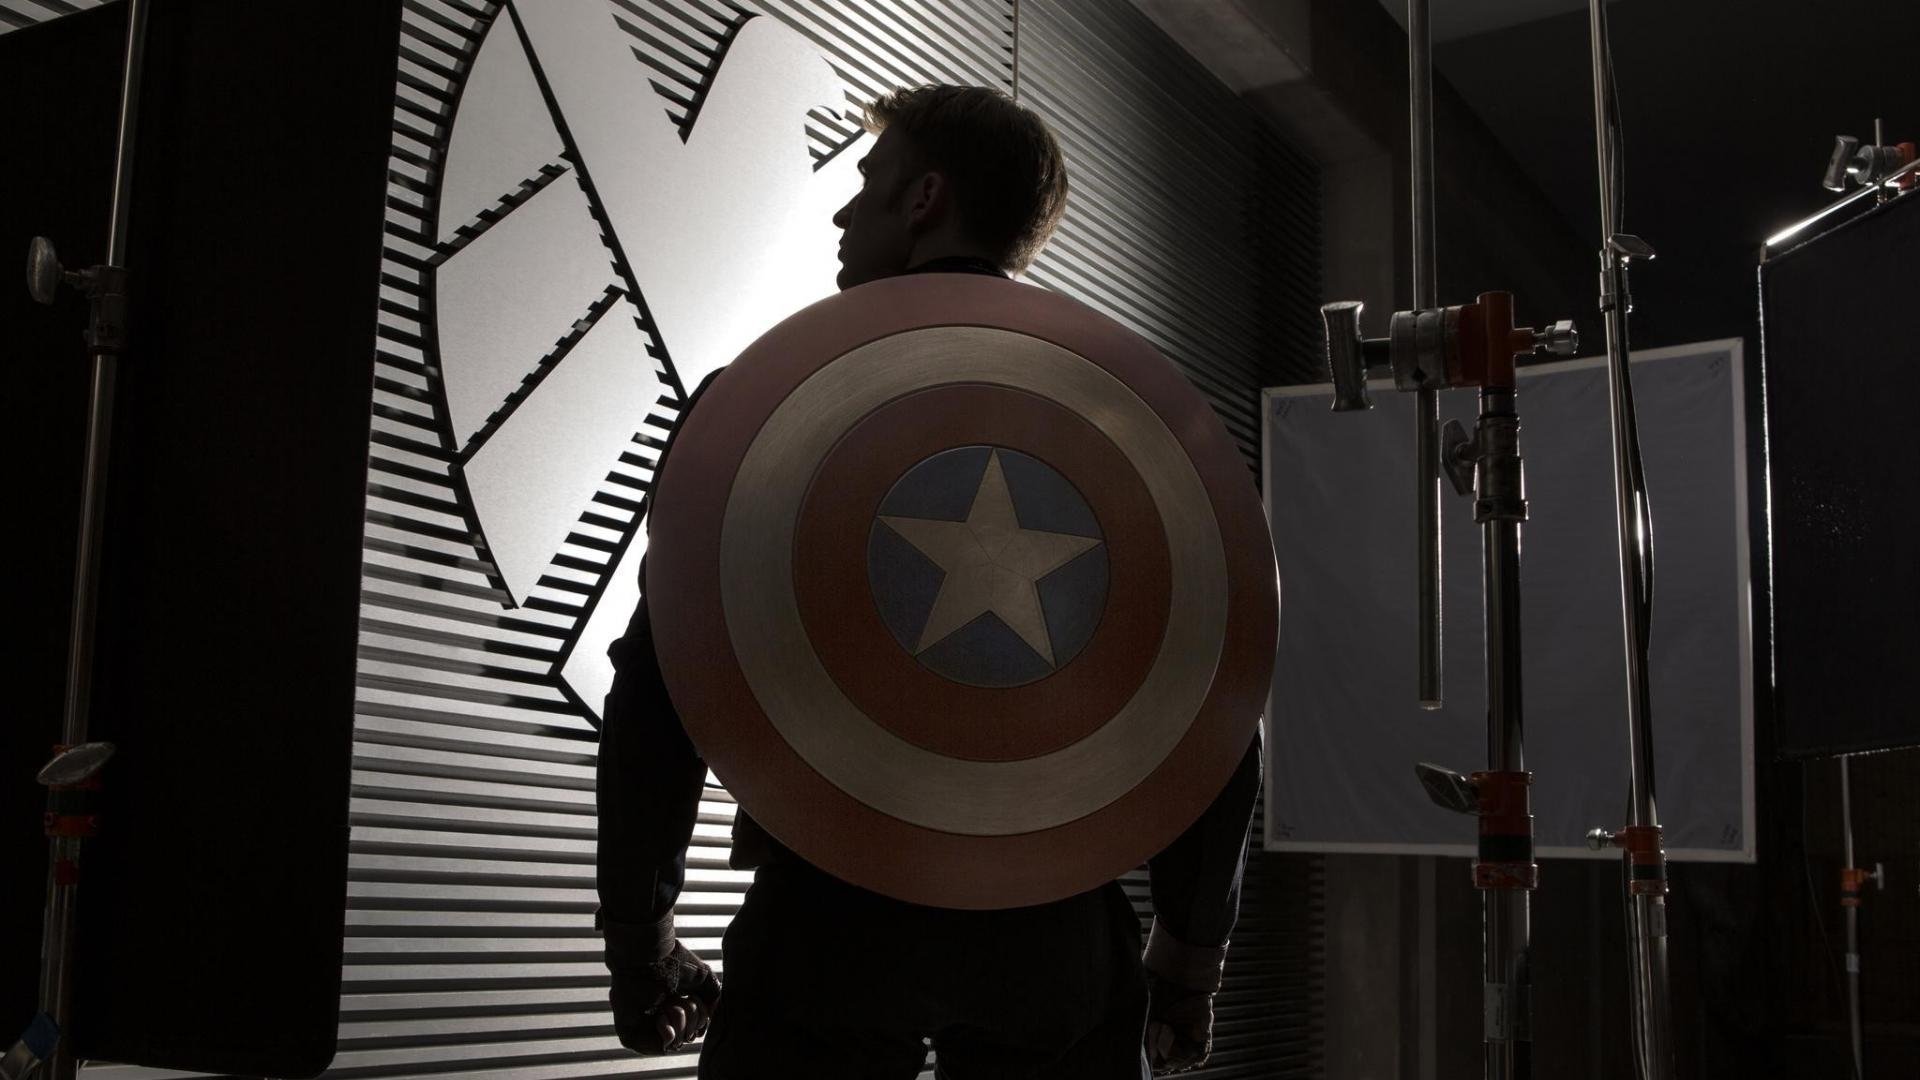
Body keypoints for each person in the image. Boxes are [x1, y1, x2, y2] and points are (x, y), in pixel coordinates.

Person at [595, 84, 1263, 1078]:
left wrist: (641, 936)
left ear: (925, 199)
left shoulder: (764, 409)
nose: (842, 211)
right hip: (1053, 933)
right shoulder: (1134, 426)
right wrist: (1188, 962)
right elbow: (1214, 693)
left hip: (828, 921)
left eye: (868, 180)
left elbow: (662, 681)